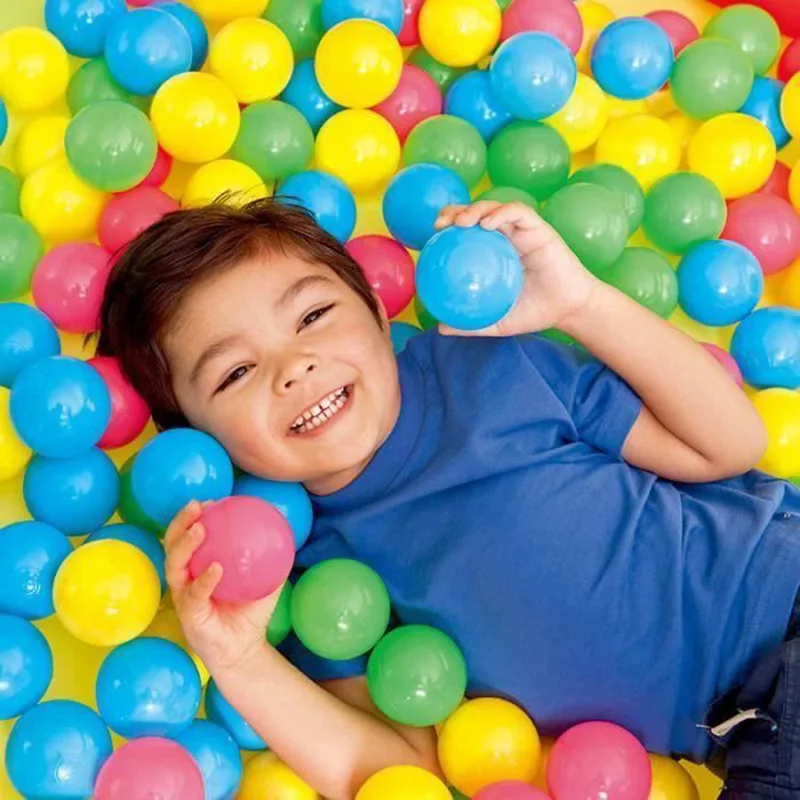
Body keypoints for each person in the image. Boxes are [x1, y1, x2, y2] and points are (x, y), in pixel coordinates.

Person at [97, 196, 800, 800]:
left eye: (312, 316)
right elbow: (401, 769)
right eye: (236, 372)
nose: (294, 367)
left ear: (376, 311)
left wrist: (582, 304)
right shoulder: (309, 574)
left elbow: (727, 445)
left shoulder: (493, 367)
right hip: (750, 733)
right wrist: (239, 660)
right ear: (201, 441)